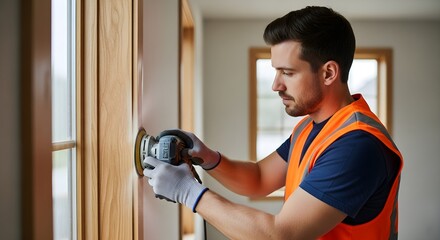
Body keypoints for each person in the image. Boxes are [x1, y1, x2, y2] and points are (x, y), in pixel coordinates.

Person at [143, 6, 403, 240]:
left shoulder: (357, 144)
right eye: (276, 71)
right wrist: (208, 158)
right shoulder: (311, 127)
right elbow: (258, 178)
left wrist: (188, 192)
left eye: (288, 73)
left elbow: (281, 235)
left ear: (328, 73)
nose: (276, 85)